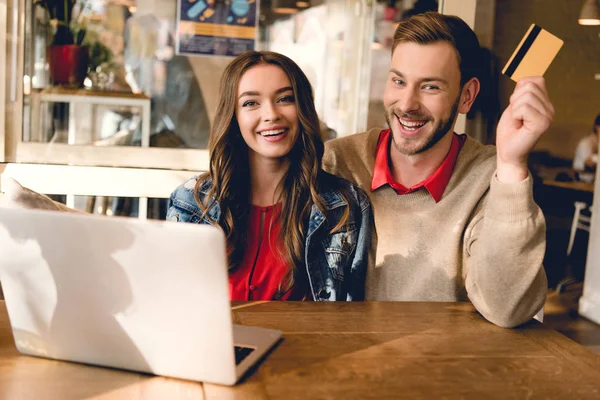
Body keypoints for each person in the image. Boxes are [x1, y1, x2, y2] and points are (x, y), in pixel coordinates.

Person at [322, 12, 550, 328]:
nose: (407, 104)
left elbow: (507, 308)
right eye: (398, 81)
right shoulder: (338, 162)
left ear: (466, 96)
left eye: (429, 87)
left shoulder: (489, 178)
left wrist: (511, 166)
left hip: (445, 368)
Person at [167, 51, 372, 302]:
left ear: (303, 108)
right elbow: (173, 302)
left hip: (306, 342)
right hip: (213, 342)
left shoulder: (343, 205)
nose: (271, 114)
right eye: (251, 103)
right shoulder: (192, 200)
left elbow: (350, 311)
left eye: (285, 99)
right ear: (233, 116)